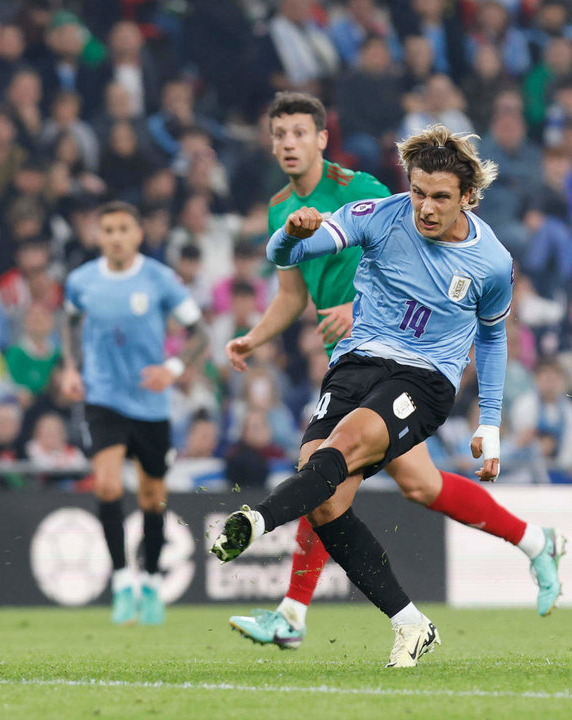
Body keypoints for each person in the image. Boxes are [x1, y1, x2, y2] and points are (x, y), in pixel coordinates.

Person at [211, 125, 567, 668]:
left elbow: (493, 336)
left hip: (424, 380)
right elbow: (286, 253)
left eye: (440, 197)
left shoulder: (491, 261)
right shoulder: (378, 213)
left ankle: (260, 531)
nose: (425, 207)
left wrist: (488, 422)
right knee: (328, 493)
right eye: (419, 191)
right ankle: (413, 621)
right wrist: (290, 233)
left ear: (468, 196)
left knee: (341, 452)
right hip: (356, 365)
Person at [60, 201, 208, 626]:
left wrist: (173, 368)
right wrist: (72, 367)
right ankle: (123, 580)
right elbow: (69, 321)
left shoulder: (160, 280)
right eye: (108, 229)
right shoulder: (82, 281)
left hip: (150, 402)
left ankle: (153, 582)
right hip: (104, 396)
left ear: (138, 234)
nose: (116, 237)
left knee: (151, 496)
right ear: (98, 235)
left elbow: (197, 334)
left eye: (124, 228)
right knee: (106, 485)